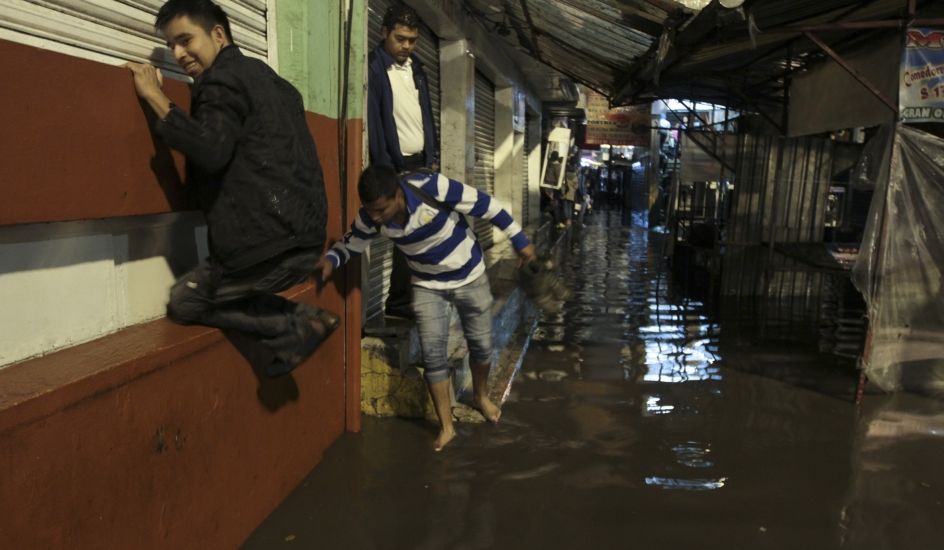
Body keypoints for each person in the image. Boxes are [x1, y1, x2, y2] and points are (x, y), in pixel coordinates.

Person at [125, 0, 337, 377]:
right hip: (305, 239)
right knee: (228, 294)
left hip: (265, 245)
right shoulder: (274, 82)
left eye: (186, 40)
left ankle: (301, 323)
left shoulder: (220, 81)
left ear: (218, 34)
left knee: (185, 301)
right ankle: (300, 325)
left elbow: (211, 149)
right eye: (171, 45)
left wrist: (155, 96)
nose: (178, 54)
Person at [317, 165, 536, 451]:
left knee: (482, 346)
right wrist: (329, 262)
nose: (376, 217)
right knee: (433, 356)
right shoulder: (371, 218)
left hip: (469, 275)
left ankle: (481, 396)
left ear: (398, 194)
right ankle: (446, 427)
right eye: (371, 211)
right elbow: (350, 244)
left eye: (381, 209)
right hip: (426, 285)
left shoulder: (430, 188)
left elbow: (487, 205)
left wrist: (520, 240)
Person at [368, 4, 440, 320]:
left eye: (412, 40)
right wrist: (387, 169)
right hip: (397, 167)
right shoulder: (374, 68)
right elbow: (375, 123)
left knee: (423, 234)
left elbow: (426, 116)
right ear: (384, 33)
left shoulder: (418, 68)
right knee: (406, 235)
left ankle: (412, 300)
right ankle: (398, 305)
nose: (407, 46)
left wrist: (433, 157)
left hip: (422, 164)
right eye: (400, 39)